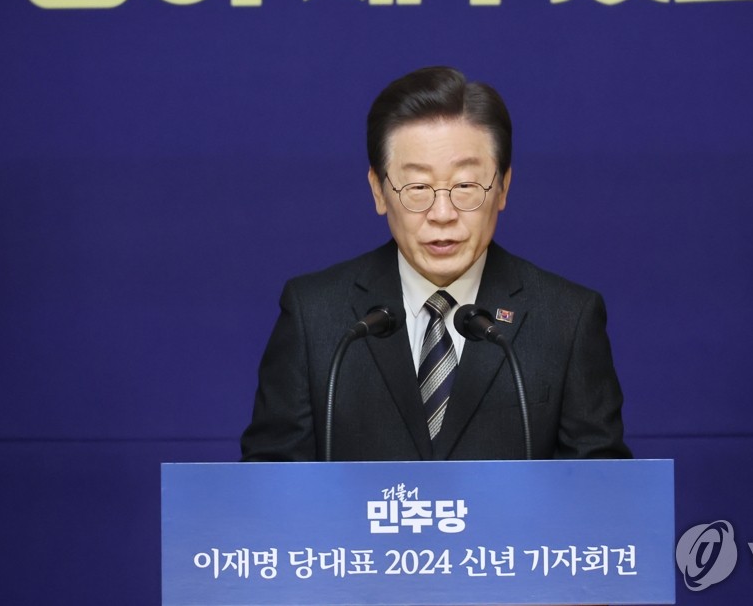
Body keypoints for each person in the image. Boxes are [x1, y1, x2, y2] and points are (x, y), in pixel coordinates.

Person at [240, 66, 630, 461]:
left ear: (503, 188)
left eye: (465, 186)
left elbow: (601, 494)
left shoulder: (567, 318)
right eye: (417, 188)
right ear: (378, 191)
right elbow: (269, 484)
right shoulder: (315, 315)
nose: (442, 213)